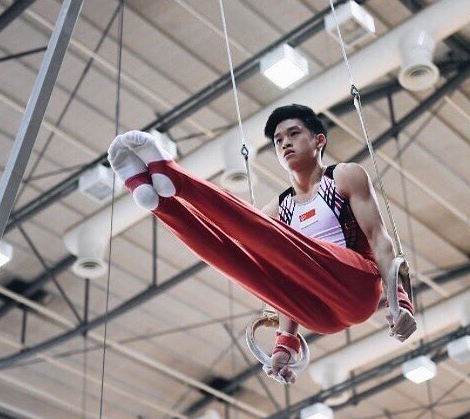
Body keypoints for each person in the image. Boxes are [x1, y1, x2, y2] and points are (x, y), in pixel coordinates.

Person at [107, 104, 417, 384]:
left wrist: (397, 300)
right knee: (235, 254)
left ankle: (175, 176)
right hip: (320, 316)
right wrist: (285, 345)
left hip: (357, 288)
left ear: (319, 140)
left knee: (266, 233)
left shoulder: (345, 177)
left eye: (294, 133)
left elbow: (380, 241)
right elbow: (289, 281)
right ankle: (162, 204)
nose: (285, 143)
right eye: (278, 140)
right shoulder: (279, 209)